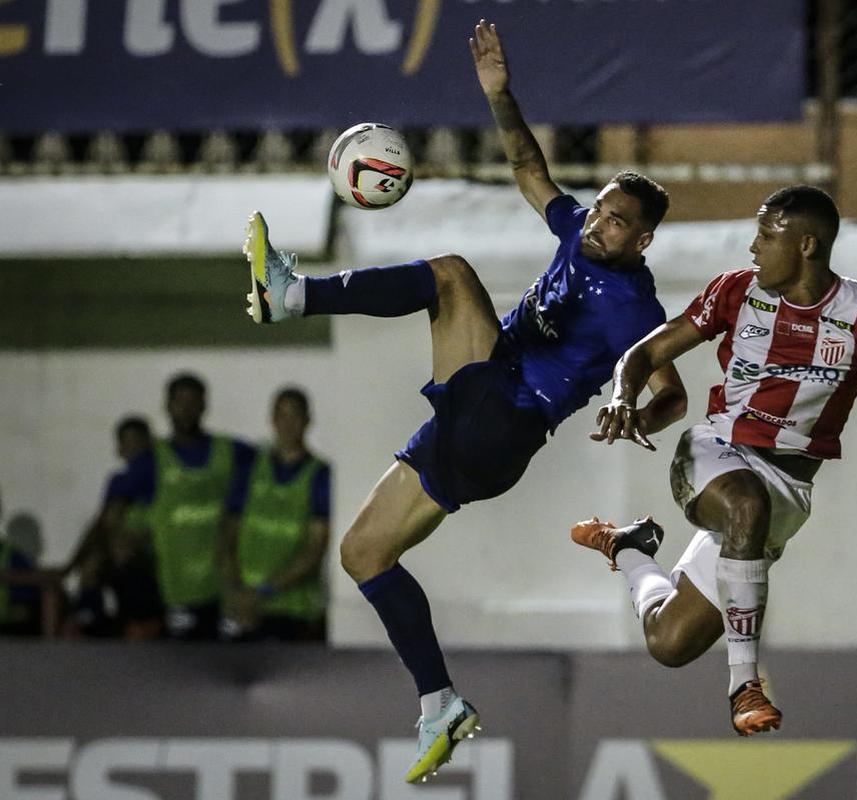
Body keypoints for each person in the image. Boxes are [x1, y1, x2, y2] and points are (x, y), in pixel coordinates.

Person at [240, 18, 685, 784]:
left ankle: (291, 294)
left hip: (507, 416)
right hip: (477, 430)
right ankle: (440, 703)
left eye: (618, 222)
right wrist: (500, 93)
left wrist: (633, 412)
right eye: (603, 207)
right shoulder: (576, 231)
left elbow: (671, 390)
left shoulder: (636, 309)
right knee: (363, 553)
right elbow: (526, 164)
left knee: (447, 273)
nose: (600, 222)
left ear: (641, 242)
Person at [574, 184, 857, 736]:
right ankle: (745, 684)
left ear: (807, 246)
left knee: (669, 643)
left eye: (767, 236)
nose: (753, 248)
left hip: (784, 495)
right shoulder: (736, 292)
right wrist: (624, 396)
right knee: (745, 503)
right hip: (714, 453)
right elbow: (646, 352)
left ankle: (629, 550)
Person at [106, 373, 256, 640]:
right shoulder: (152, 460)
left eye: (193, 402)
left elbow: (272, 469)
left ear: (204, 405)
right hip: (174, 594)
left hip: (222, 591)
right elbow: (114, 511)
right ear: (167, 406)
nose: (186, 410)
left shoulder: (231, 452)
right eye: (179, 402)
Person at [220, 387, 331, 642]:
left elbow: (315, 548)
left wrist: (264, 591)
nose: (287, 424)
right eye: (281, 415)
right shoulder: (250, 469)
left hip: (293, 611)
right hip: (243, 608)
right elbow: (227, 536)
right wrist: (238, 592)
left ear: (307, 421)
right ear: (272, 419)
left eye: (294, 416)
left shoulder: (319, 475)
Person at [62, 415, 164, 639]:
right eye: (127, 441)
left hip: (148, 552)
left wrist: (71, 565)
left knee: (98, 560)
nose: (131, 447)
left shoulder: (141, 471)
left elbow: (106, 520)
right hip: (147, 552)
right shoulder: (145, 474)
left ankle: (93, 619)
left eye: (135, 440)